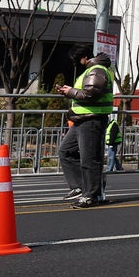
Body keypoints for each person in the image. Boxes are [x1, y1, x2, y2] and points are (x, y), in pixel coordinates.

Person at [57, 44, 116, 209]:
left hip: (92, 120)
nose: (75, 63)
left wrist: (70, 92)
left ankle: (90, 195)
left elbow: (91, 94)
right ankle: (82, 188)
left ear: (82, 57)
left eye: (75, 60)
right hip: (82, 120)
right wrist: (69, 91)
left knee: (90, 159)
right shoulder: (91, 70)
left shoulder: (97, 70)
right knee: (65, 151)